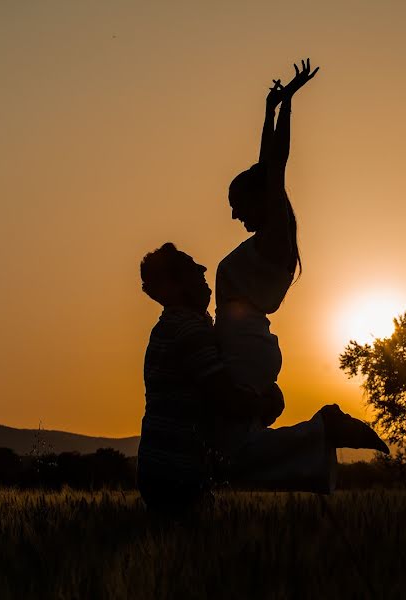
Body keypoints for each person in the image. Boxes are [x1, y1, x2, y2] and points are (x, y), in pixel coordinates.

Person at [137, 243, 388, 515]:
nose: (203, 270)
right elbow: (224, 398)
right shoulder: (188, 329)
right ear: (172, 286)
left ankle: (321, 432)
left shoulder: (169, 328)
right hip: (178, 470)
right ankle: (324, 429)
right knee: (238, 453)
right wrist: (263, 404)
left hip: (162, 469)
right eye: (191, 269)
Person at [215, 59, 319, 424]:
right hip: (247, 344)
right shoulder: (270, 233)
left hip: (245, 348)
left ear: (257, 200)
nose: (233, 215)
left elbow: (275, 166)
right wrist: (268, 110)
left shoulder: (275, 231)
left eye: (236, 206)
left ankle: (316, 433)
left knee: (232, 441)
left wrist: (287, 104)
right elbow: (265, 164)